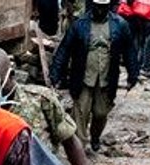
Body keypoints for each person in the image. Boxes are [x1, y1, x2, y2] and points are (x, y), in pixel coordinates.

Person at [50, 0, 139, 152]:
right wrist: (56, 73)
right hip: (83, 77)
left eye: (103, 7)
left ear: (108, 7)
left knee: (101, 113)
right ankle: (80, 149)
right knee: (80, 113)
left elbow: (129, 50)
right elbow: (64, 49)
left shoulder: (120, 24)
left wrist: (133, 74)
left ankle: (95, 136)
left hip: (106, 78)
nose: (99, 10)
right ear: (93, 5)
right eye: (97, 6)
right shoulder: (80, 25)